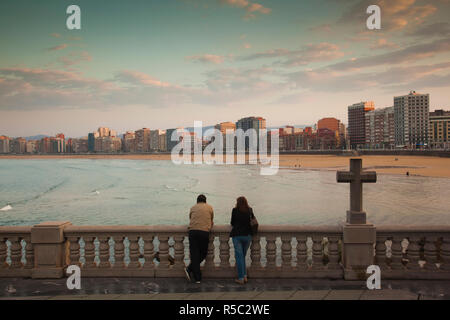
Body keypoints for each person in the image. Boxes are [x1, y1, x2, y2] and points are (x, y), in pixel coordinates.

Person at [185, 194, 214, 284]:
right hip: (204, 232)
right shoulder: (209, 207)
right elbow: (211, 219)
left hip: (193, 231)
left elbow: (191, 217)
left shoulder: (193, 207)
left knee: (194, 254)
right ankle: (197, 277)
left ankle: (191, 270)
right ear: (205, 201)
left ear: (197, 201)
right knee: (203, 253)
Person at [230, 196, 254, 285]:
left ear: (237, 202)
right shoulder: (250, 210)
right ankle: (244, 276)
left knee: (239, 257)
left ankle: (241, 278)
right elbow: (253, 221)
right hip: (248, 236)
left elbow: (232, 222)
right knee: (242, 256)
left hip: (237, 236)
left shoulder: (235, 210)